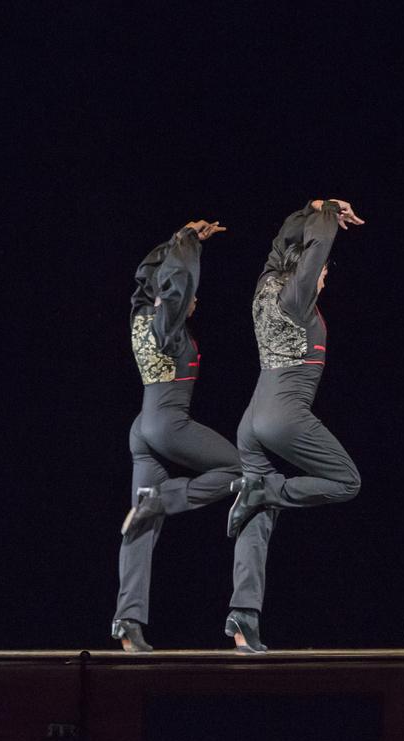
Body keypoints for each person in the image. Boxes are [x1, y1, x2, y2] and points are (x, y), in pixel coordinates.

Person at [223, 200, 364, 653]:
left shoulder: (265, 285)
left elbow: (281, 243)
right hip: (283, 413)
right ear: (306, 266)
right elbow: (317, 247)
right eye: (321, 270)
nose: (325, 275)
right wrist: (326, 219)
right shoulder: (295, 296)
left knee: (256, 519)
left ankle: (242, 617)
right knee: (346, 481)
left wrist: (315, 206)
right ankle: (266, 492)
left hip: (251, 419)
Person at [113, 220, 239, 653]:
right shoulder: (166, 327)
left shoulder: (140, 313)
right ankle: (162, 499)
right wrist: (187, 247)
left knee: (142, 526)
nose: (194, 301)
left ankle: (127, 621)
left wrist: (178, 237)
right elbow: (178, 280)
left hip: (142, 429)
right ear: (172, 298)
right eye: (188, 299)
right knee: (240, 468)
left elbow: (149, 276)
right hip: (167, 424)